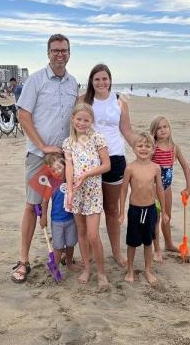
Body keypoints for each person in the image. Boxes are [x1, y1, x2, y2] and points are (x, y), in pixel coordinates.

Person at [11, 33, 78, 284]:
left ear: (69, 53)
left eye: (64, 50)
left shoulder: (73, 84)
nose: (59, 54)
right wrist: (42, 146)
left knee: (64, 205)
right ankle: (23, 260)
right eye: (55, 50)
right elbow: (23, 115)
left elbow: (78, 118)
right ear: (48, 53)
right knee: (34, 206)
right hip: (40, 156)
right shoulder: (36, 81)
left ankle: (62, 253)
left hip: (64, 158)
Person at [80, 64, 135, 267]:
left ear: (110, 80)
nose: (101, 82)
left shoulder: (119, 103)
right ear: (91, 81)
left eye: (105, 79)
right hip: (90, 161)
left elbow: (126, 130)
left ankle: (116, 252)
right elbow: (76, 127)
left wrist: (140, 148)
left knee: (111, 209)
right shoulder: (83, 100)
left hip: (115, 159)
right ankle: (91, 253)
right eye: (97, 79)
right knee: (89, 210)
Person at [63, 103, 111, 289]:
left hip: (93, 192)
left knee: (92, 235)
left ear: (92, 121)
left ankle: (101, 273)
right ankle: (87, 269)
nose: (82, 123)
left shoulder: (97, 138)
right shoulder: (68, 142)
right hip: (77, 192)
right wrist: (70, 189)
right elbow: (69, 166)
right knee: (81, 232)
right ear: (73, 120)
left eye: (86, 120)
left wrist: (86, 174)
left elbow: (106, 165)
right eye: (79, 119)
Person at [119, 132, 166, 284]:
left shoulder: (156, 168)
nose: (143, 149)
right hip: (134, 210)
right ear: (133, 148)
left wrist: (164, 212)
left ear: (153, 149)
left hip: (151, 209)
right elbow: (124, 190)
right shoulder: (130, 168)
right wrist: (121, 213)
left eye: (147, 146)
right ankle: (130, 270)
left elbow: (160, 190)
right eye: (140, 145)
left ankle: (147, 270)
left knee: (148, 242)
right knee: (132, 242)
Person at [150, 115, 190, 258]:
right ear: (154, 132)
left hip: (167, 188)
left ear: (169, 128)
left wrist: (188, 187)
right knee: (155, 218)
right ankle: (156, 249)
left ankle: (168, 243)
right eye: (159, 128)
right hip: (154, 189)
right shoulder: (153, 148)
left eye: (165, 126)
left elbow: (186, 167)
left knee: (167, 217)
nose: (162, 130)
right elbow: (144, 166)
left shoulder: (174, 148)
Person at [39, 152, 81, 274]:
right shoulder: (50, 183)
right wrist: (44, 217)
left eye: (59, 167)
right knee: (57, 246)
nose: (57, 171)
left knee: (70, 243)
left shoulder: (70, 178)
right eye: (53, 170)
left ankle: (68, 263)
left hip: (71, 218)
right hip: (57, 220)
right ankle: (55, 267)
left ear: (64, 164)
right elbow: (45, 201)